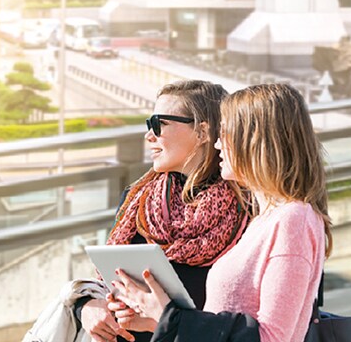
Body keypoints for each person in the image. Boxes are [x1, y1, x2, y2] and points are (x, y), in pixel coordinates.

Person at [111, 84, 331, 342]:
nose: (217, 144)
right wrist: (155, 322)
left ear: (255, 141)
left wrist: (167, 317)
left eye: (225, 133)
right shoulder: (268, 219)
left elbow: (271, 337)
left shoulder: (293, 220)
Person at [68, 81, 252, 342]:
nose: (149, 135)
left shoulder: (248, 210)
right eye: (148, 124)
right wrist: (87, 306)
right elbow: (110, 285)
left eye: (159, 124)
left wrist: (165, 318)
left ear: (202, 132)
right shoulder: (138, 201)